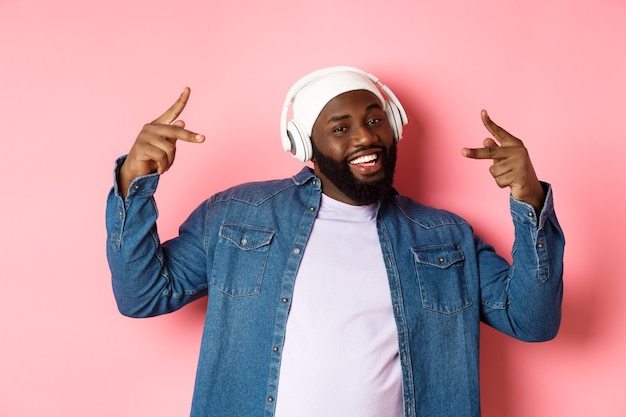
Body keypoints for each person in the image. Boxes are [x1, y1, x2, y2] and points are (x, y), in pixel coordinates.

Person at [106, 66, 564, 417]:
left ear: (395, 126)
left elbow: (533, 320)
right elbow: (142, 295)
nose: (366, 136)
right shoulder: (237, 216)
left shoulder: (446, 236)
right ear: (305, 144)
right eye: (341, 128)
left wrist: (529, 198)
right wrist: (135, 181)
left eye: (375, 119)